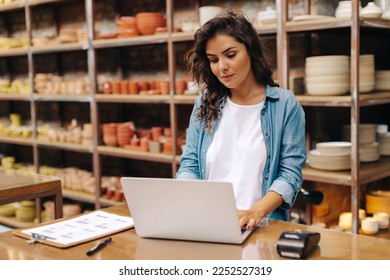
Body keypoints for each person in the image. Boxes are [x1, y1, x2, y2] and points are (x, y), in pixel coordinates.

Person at [175, 10, 306, 230]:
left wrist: (256, 211)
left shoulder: (285, 105)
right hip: (209, 224)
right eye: (213, 60)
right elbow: (189, 164)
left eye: (230, 54)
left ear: (251, 50)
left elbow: (290, 173)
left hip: (262, 225)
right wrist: (189, 197)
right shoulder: (205, 103)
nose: (221, 67)